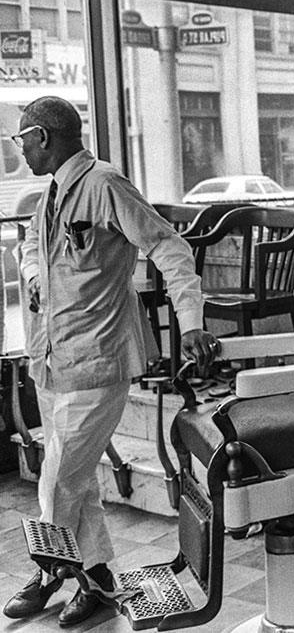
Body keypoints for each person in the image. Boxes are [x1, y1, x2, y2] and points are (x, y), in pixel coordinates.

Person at [2, 97, 217, 627]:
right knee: (78, 481)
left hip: (98, 359)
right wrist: (32, 278)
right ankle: (98, 580)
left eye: (21, 138)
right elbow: (30, 245)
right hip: (52, 358)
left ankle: (49, 567)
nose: (20, 148)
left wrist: (190, 321)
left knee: (57, 479)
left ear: (44, 137)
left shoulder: (105, 186)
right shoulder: (49, 195)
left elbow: (169, 247)